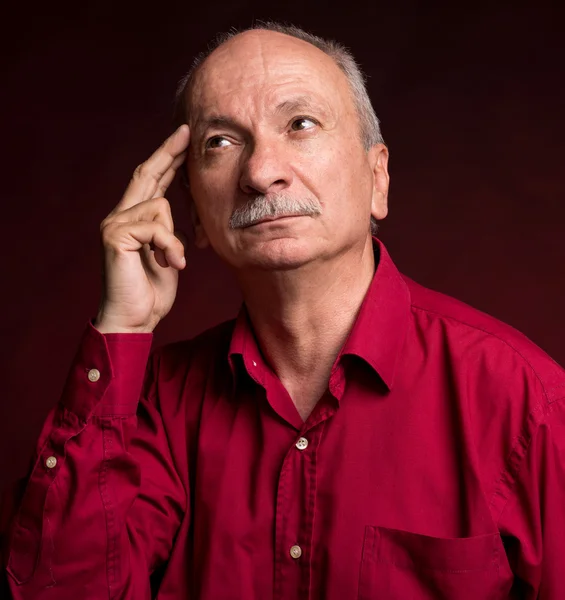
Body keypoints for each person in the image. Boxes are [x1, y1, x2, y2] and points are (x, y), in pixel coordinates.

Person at [2, 21, 564, 600]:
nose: (260, 171)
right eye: (220, 141)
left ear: (378, 178)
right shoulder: (153, 409)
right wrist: (122, 327)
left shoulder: (525, 401)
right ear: (193, 209)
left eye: (301, 124)